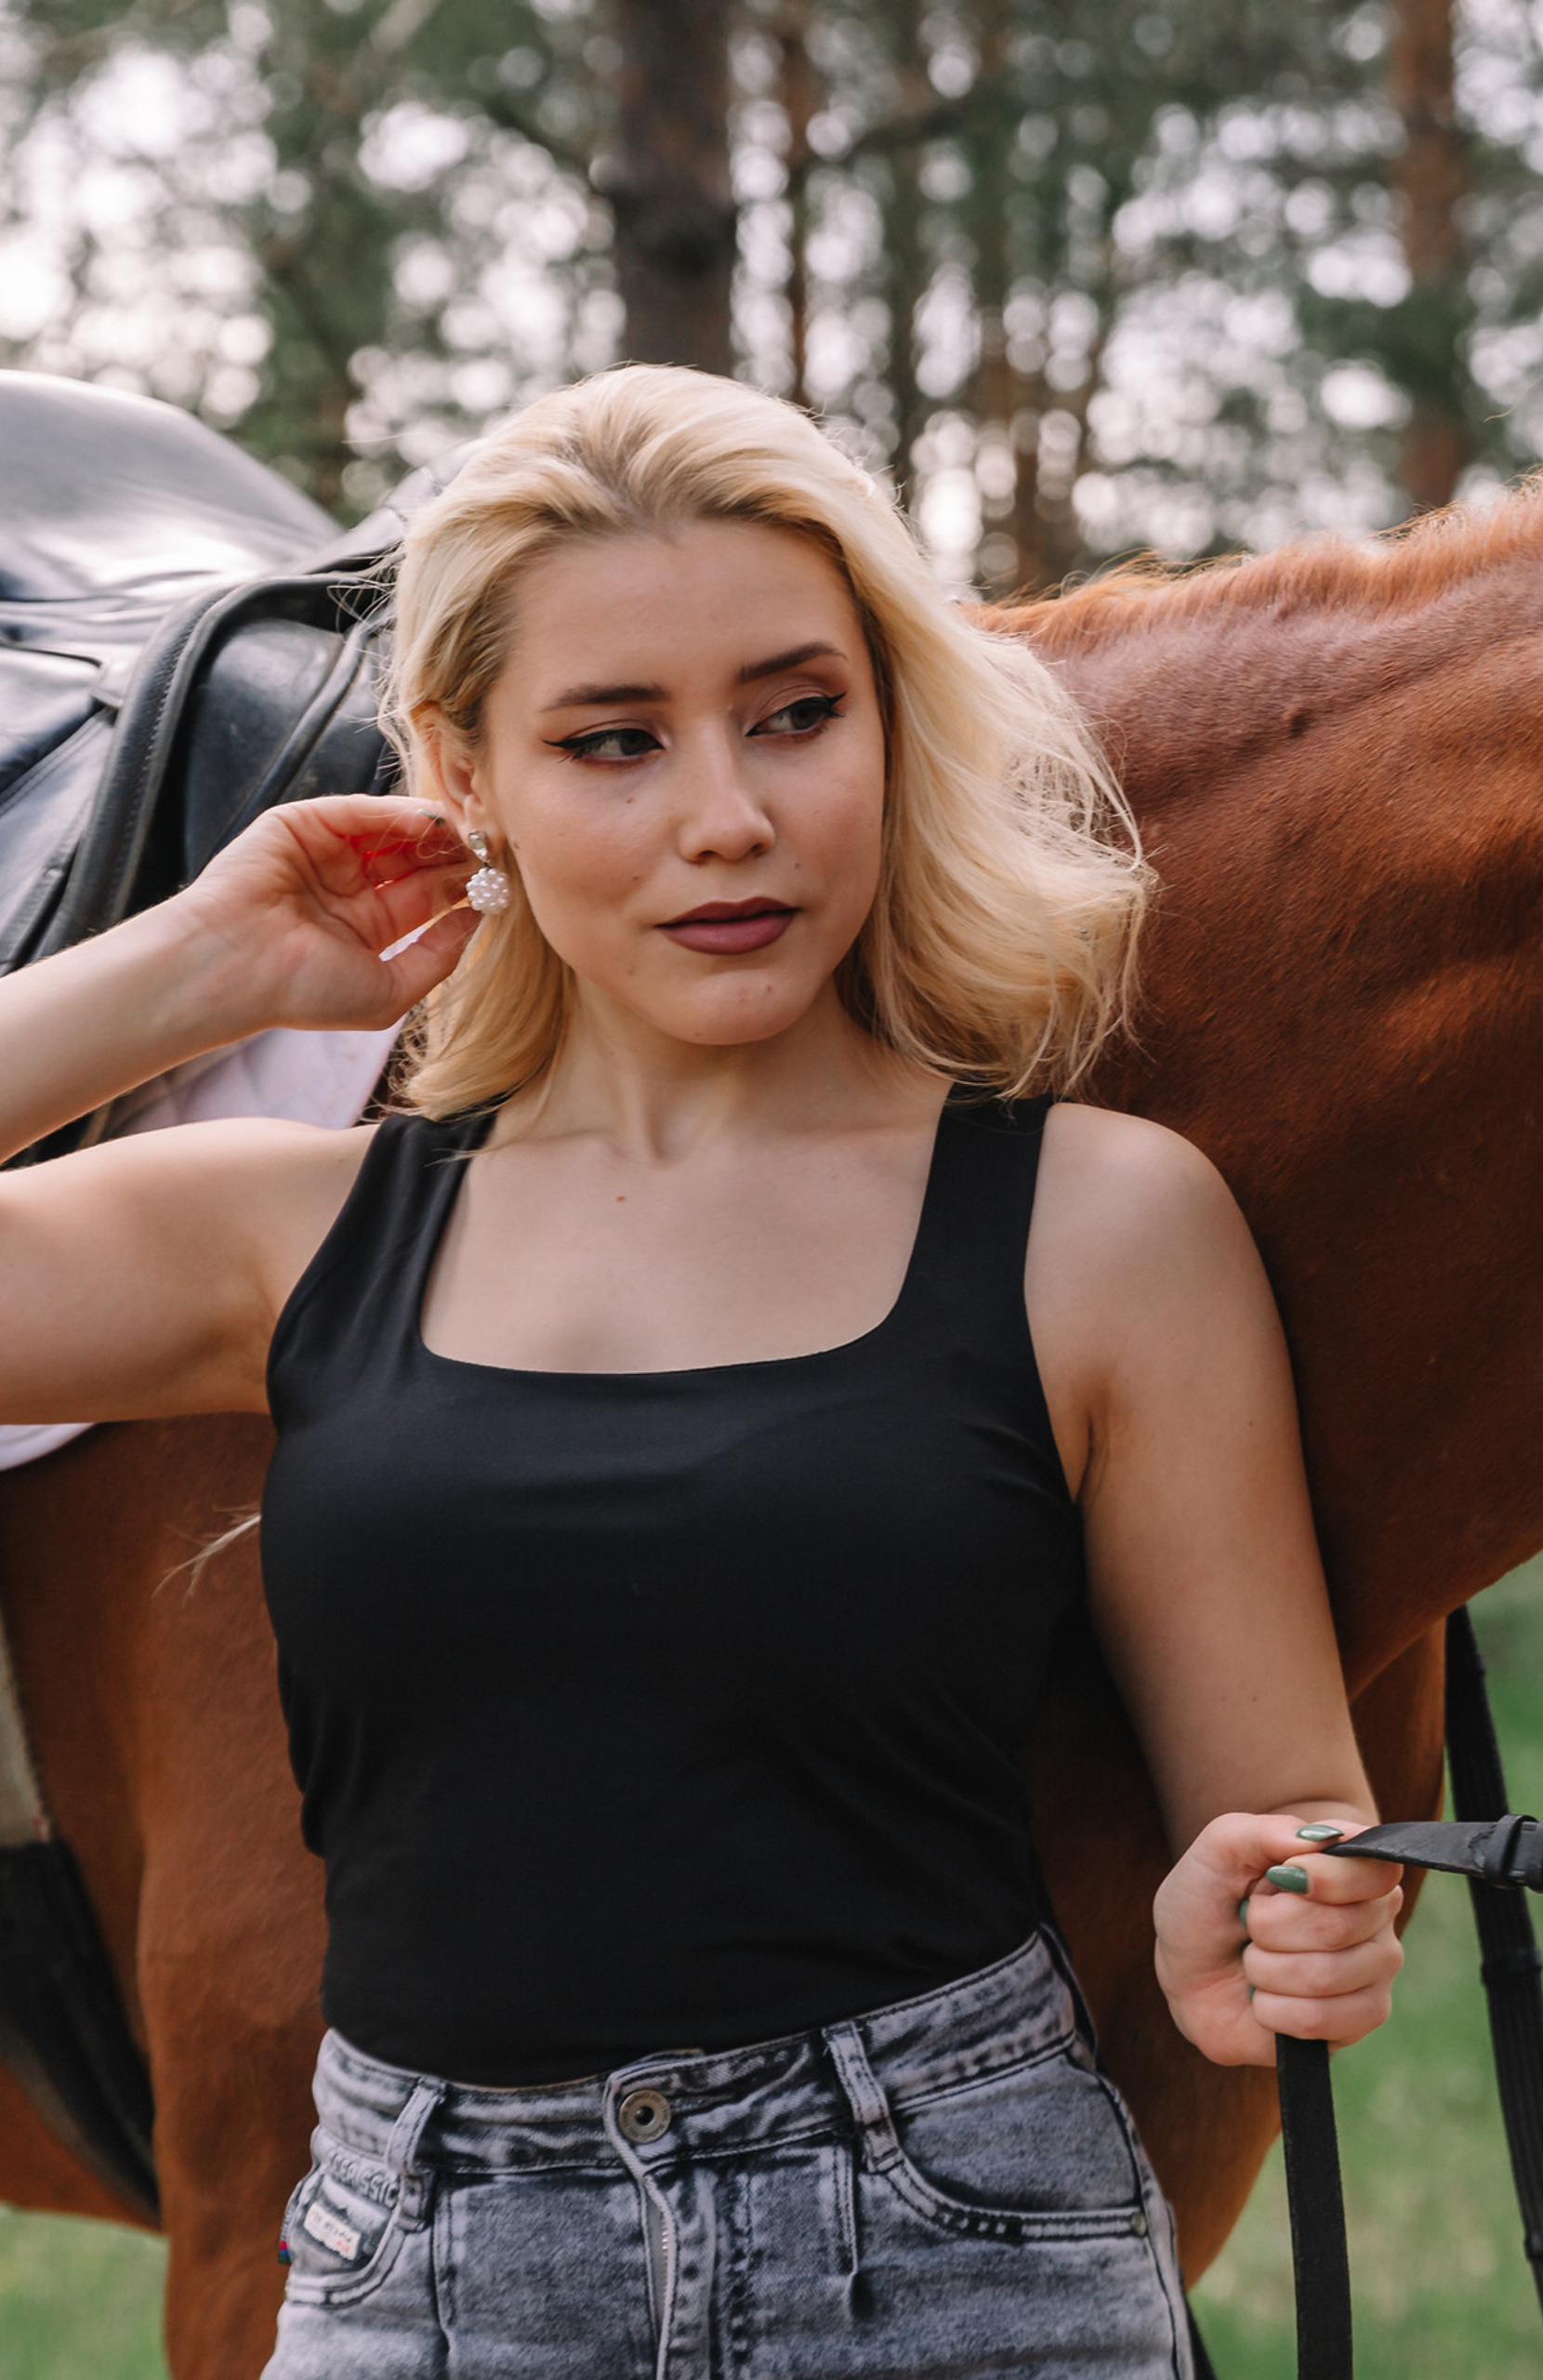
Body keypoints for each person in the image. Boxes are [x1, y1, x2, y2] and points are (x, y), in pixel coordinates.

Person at [0, 366, 1401, 2378]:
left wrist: (1279, 1900)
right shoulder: (299, 1231)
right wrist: (193, 963)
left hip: (962, 2265)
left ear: (892, 722)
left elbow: (1278, 1807)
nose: (725, 814)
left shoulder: (1099, 1225)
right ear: (461, 775)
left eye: (794, 710)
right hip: (423, 2280)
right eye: (612, 740)